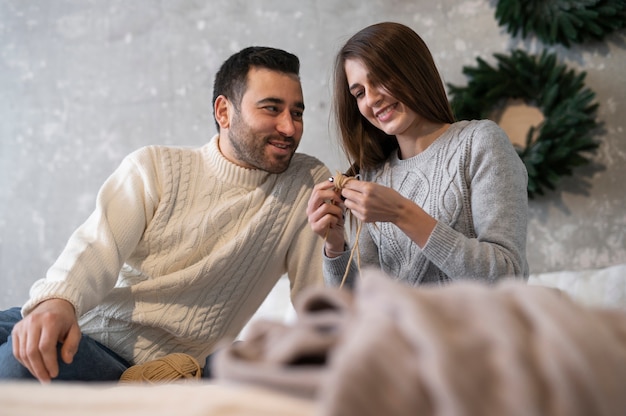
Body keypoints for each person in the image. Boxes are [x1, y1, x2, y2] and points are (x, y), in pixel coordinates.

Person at [0, 46, 331, 382]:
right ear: (224, 112)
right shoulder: (155, 167)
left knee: (14, 368)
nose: (289, 128)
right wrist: (57, 302)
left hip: (131, 364)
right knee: (17, 337)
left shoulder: (306, 184)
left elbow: (320, 304)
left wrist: (337, 244)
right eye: (272, 109)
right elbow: (96, 247)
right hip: (84, 322)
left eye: (297, 113)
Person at [306, 22, 528, 288]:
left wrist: (402, 213)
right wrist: (335, 244)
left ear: (414, 71)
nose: (372, 99)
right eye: (360, 92)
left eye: (380, 79)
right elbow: (360, 307)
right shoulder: (375, 175)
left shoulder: (479, 143)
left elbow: (508, 277)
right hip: (397, 331)